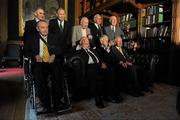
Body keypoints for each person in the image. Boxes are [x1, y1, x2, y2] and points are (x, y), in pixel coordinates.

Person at [25, 20, 67, 113]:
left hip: (52, 61)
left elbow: (61, 49)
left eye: (46, 27)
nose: (45, 29)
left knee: (57, 73)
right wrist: (35, 56)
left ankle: (57, 101)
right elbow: (26, 52)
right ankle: (45, 103)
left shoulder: (54, 37)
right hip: (39, 62)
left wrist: (54, 55)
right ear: (37, 28)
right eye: (42, 27)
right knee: (40, 76)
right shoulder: (32, 38)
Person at [76, 36, 105, 108]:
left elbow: (99, 57)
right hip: (90, 67)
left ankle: (110, 94)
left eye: (88, 43)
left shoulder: (93, 50)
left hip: (99, 65)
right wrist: (79, 43)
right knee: (93, 76)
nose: (88, 45)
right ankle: (98, 99)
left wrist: (102, 63)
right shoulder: (80, 51)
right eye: (86, 43)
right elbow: (72, 50)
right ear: (81, 44)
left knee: (110, 70)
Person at [96, 35, 123, 103]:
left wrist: (120, 62)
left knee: (119, 68)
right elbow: (105, 59)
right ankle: (108, 95)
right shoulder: (99, 49)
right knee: (111, 71)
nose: (107, 41)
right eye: (106, 40)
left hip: (111, 65)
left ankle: (115, 93)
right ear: (101, 42)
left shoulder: (110, 48)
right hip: (104, 67)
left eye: (107, 40)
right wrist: (108, 48)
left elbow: (113, 58)